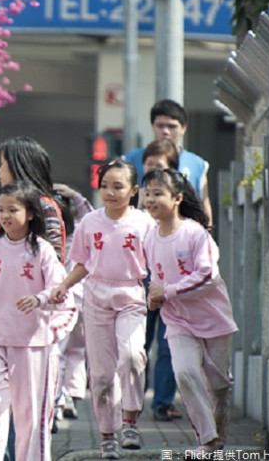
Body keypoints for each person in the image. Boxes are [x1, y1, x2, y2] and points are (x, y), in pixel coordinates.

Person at [49, 159, 155, 459]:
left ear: (134, 190)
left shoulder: (145, 224)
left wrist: (161, 288)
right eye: (105, 186)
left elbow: (157, 263)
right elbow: (81, 262)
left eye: (118, 187)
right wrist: (63, 286)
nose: (109, 192)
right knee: (101, 376)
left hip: (131, 296)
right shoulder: (90, 223)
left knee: (133, 356)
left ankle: (130, 419)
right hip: (96, 297)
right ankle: (107, 434)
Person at [0, 181, 76, 461]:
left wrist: (40, 299)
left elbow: (60, 293)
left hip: (33, 344)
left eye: (12, 210)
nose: (5, 216)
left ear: (30, 213)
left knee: (31, 417)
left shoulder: (41, 250)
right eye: (1, 210)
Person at [142, 169, 238, 453]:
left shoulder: (196, 234)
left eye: (158, 193)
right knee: (184, 373)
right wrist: (154, 297)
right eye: (147, 193)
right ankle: (206, 442)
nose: (150, 199)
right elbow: (155, 280)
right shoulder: (149, 238)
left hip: (214, 321)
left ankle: (218, 441)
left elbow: (208, 276)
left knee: (218, 388)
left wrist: (168, 291)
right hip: (178, 322)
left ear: (177, 199)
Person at [137, 138, 183, 422]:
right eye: (149, 165)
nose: (152, 170)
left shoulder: (181, 217)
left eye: (159, 166)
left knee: (168, 344)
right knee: (138, 343)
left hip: (171, 286)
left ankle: (163, 402)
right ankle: (133, 398)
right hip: (141, 282)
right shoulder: (134, 211)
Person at [123, 99, 212, 226]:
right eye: (160, 126)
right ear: (152, 126)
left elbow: (204, 204)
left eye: (172, 126)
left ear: (183, 129)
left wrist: (206, 233)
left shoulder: (197, 164)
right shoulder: (130, 159)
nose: (165, 131)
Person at [51, 183, 93, 428]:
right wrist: (77, 196)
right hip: (78, 300)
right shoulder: (78, 231)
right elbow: (89, 216)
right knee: (75, 351)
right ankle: (69, 399)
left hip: (65, 303)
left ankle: (58, 402)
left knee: (60, 352)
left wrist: (75, 196)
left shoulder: (63, 235)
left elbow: (90, 218)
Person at [0, 136, 65, 262]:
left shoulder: (44, 205)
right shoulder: (4, 202)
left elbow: (55, 257)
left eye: (2, 165)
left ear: (17, 168)